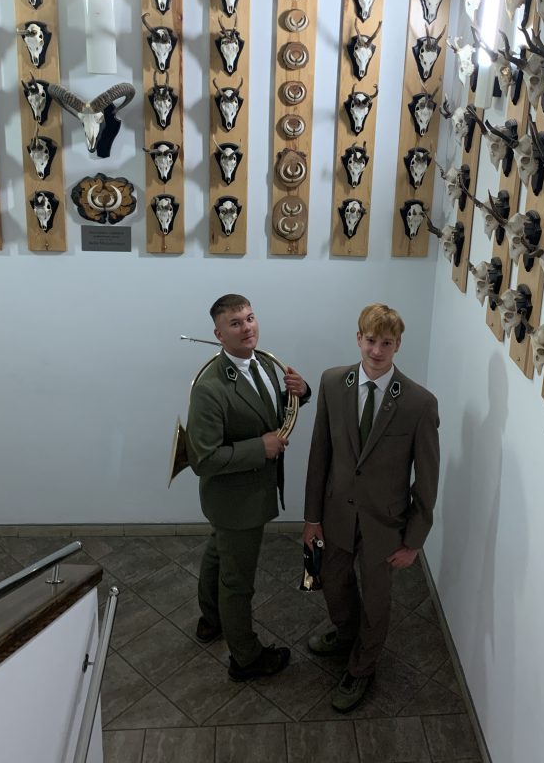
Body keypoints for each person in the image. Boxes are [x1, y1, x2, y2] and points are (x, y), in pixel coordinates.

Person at [303, 303, 440, 712]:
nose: (377, 351)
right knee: (334, 584)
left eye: (387, 343)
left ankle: (362, 666)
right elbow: (319, 455)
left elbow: (427, 478)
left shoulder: (419, 403)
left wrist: (414, 540)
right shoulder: (332, 383)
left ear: (398, 345)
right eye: (371, 340)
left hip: (385, 524)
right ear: (358, 338)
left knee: (377, 600)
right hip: (336, 515)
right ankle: (347, 632)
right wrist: (311, 518)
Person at [186, 293, 309, 681]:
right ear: (219, 334)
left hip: (244, 495)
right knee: (238, 582)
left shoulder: (264, 365)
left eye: (250, 318)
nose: (247, 328)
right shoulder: (210, 387)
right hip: (236, 500)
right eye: (235, 323)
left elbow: (270, 414)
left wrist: (301, 393)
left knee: (219, 552)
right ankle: (245, 657)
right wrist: (261, 448)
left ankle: (211, 621)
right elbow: (202, 459)